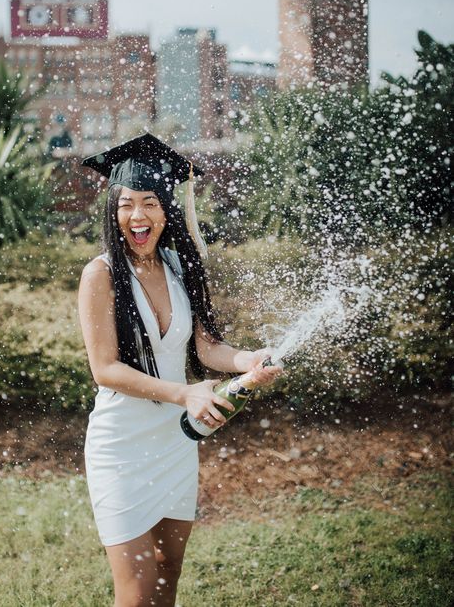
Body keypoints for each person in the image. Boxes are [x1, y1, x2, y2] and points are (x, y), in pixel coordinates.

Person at [78, 133, 283, 607]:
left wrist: (247, 361)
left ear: (166, 209)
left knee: (168, 581)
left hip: (174, 443)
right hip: (121, 448)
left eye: (149, 203)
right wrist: (186, 394)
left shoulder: (178, 264)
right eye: (126, 205)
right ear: (114, 211)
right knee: (136, 592)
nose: (137, 216)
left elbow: (208, 347)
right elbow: (105, 369)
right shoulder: (102, 274)